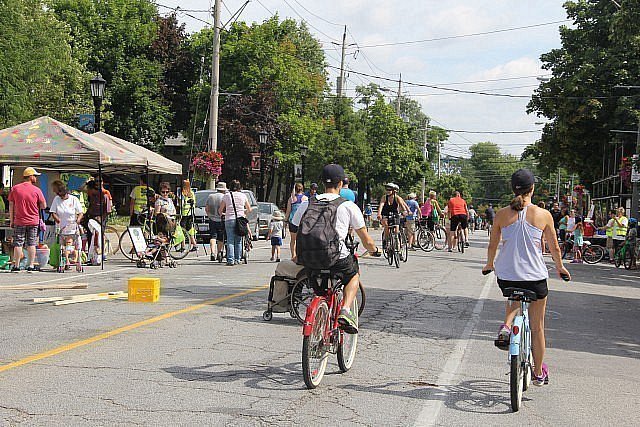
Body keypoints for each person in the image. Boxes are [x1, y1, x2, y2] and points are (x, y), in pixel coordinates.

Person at [483, 168, 570, 387]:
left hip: (507, 276)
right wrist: (560, 268)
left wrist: (489, 264)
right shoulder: (543, 214)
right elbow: (554, 248)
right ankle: (539, 373)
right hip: (535, 277)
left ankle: (506, 326)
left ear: (512, 189)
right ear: (533, 189)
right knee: (537, 325)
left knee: (513, 297)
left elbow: (493, 244)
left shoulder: (502, 214)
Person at [291, 164, 381, 334]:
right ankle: (345, 310)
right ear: (340, 183)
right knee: (353, 274)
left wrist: (295, 253)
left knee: (319, 290)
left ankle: (319, 317)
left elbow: (293, 228)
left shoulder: (307, 203)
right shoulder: (347, 206)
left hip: (309, 259)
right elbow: (366, 240)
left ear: (322, 183)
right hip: (336, 258)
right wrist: (375, 250)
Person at [8, 167, 47, 272]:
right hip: (33, 221)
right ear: (30, 177)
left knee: (18, 243)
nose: (35, 178)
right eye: (34, 176)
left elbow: (11, 204)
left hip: (19, 220)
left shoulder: (15, 189)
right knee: (31, 243)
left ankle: (16, 266)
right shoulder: (37, 190)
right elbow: (44, 205)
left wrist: (12, 220)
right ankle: (30, 265)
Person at [219, 180, 252, 266]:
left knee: (230, 240)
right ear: (239, 187)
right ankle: (238, 259)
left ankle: (230, 260)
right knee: (238, 241)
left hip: (229, 219)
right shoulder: (243, 196)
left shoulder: (226, 195)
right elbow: (249, 209)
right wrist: (244, 213)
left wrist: (223, 214)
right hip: (240, 219)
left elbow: (220, 209)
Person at [49, 182, 83, 259]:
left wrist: (78, 219)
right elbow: (53, 212)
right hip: (61, 228)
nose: (60, 196)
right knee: (62, 246)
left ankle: (75, 259)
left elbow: (80, 213)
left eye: (61, 194)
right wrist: (57, 219)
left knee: (73, 245)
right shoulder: (56, 199)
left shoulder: (74, 199)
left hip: (72, 227)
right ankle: (64, 260)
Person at [377, 183, 409, 249]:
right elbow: (381, 205)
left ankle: (398, 245)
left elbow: (403, 206)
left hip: (395, 214)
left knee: (396, 230)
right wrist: (379, 214)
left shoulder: (397, 198)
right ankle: (386, 241)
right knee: (386, 226)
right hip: (385, 214)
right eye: (387, 190)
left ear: (393, 191)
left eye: (389, 190)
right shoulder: (384, 197)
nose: (388, 191)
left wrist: (405, 211)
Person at [285, 183, 308, 259]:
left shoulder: (291, 199)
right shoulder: (305, 198)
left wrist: (285, 221)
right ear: (302, 189)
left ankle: (293, 255)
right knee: (301, 239)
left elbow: (288, 211)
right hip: (302, 221)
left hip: (292, 221)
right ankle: (300, 255)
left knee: (293, 240)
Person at [206, 182, 227, 262]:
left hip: (212, 219)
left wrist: (209, 216)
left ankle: (212, 253)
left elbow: (207, 208)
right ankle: (219, 252)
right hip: (221, 219)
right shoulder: (224, 197)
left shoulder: (210, 196)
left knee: (213, 236)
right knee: (220, 237)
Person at [179, 180, 197, 252]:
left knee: (182, 230)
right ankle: (194, 245)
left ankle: (183, 246)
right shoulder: (192, 193)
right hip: (191, 213)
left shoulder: (182, 193)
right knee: (189, 230)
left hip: (184, 214)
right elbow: (194, 203)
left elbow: (181, 203)